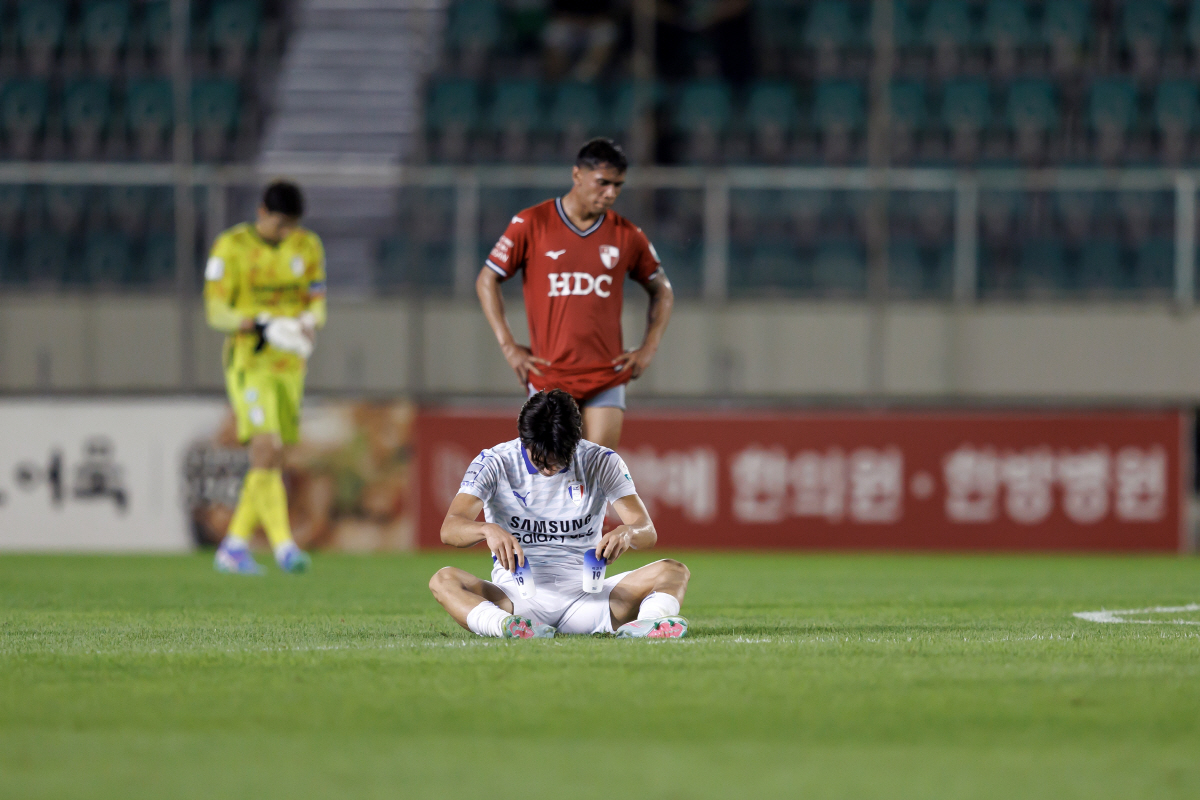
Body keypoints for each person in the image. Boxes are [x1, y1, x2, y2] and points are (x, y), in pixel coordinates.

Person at [429, 389, 690, 639]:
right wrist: (486, 529)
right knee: (443, 579)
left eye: (558, 460)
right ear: (524, 439)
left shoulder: (601, 461)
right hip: (515, 597)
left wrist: (628, 531)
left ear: (576, 441)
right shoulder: (494, 462)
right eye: (540, 459)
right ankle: (507, 626)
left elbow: (647, 532)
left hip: (588, 596)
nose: (549, 468)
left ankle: (647, 624)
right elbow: (450, 529)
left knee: (674, 570)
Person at [477, 138, 674, 450]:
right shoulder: (531, 223)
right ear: (577, 175)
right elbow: (487, 278)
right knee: (550, 478)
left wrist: (649, 348)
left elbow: (662, 289)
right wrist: (508, 345)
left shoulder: (627, 235)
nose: (611, 193)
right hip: (548, 376)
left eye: (618, 185)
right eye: (603, 183)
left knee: (596, 474)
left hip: (605, 376)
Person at [204, 180, 326, 575]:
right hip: (250, 362)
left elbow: (318, 302)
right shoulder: (232, 247)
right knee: (266, 446)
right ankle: (284, 546)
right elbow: (215, 309)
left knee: (274, 454)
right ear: (261, 213)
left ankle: (234, 546)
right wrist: (253, 321)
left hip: (290, 365)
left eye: (291, 225)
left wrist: (308, 320)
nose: (286, 233)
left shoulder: (308, 246)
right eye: (279, 225)